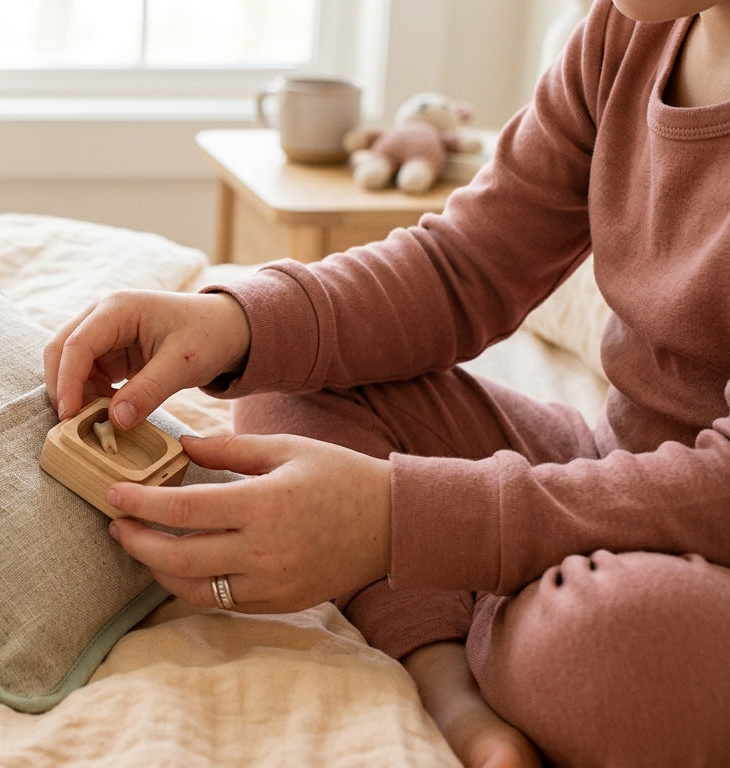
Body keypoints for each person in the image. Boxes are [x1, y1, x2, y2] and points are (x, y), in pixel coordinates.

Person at [43, 1, 730, 765]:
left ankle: (512, 613)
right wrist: (236, 322)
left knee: (598, 646)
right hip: (616, 471)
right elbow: (465, 266)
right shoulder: (626, 30)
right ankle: (451, 680)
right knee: (294, 376)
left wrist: (402, 522)